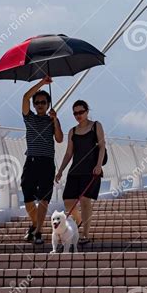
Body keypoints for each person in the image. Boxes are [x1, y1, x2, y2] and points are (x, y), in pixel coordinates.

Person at [55, 100, 105, 244]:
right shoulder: (73, 131)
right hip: (75, 170)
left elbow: (102, 146)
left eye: (81, 112)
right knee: (68, 201)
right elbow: (69, 153)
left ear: (87, 111)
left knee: (84, 201)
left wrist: (99, 165)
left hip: (91, 170)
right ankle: (79, 220)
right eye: (75, 113)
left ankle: (85, 235)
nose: (78, 115)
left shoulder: (96, 126)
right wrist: (60, 171)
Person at [21, 76, 63, 243]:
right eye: (37, 102)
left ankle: (38, 231)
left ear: (48, 104)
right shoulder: (29, 117)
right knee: (27, 196)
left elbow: (59, 139)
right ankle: (34, 223)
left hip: (47, 162)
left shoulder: (52, 119)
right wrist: (42, 83)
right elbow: (25, 97)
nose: (40, 105)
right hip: (31, 161)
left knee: (44, 198)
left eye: (43, 102)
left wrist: (55, 121)